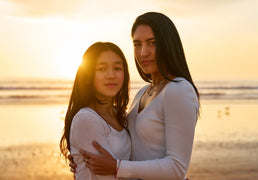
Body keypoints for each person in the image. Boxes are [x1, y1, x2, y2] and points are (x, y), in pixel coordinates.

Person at [71, 12, 200, 180]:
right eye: (137, 44)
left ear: (168, 44)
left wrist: (116, 167)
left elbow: (177, 168)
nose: (143, 52)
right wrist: (83, 161)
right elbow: (130, 148)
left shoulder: (178, 90)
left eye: (152, 43)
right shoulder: (143, 93)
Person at [59, 42, 131, 180]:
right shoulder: (86, 119)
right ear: (88, 75)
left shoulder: (122, 116)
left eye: (117, 68)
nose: (111, 75)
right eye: (102, 69)